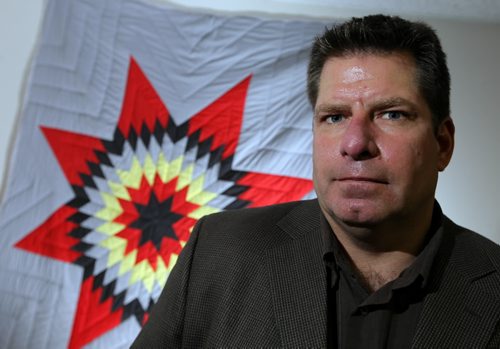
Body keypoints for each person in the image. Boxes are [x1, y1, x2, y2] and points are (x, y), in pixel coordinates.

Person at [132, 14, 500, 348]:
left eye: (391, 114)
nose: (355, 144)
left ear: (443, 144)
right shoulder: (217, 253)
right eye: (335, 117)